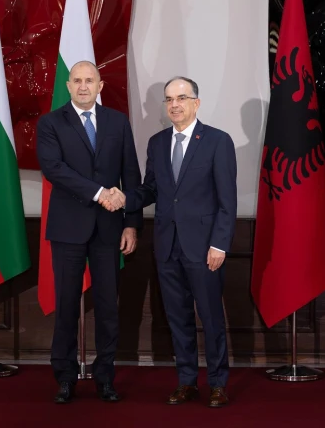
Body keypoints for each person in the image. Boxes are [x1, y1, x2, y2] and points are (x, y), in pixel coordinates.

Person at [100, 76, 237, 408]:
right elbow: (151, 189)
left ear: (196, 103)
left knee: (211, 318)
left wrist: (219, 245)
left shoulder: (217, 141)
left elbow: (227, 201)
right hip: (167, 246)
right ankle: (187, 381)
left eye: (181, 98)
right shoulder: (158, 143)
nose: (174, 105)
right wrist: (124, 197)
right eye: (169, 99)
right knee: (177, 318)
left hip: (204, 248)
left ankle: (218, 383)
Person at [35, 60, 143, 404]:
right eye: (77, 80)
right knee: (66, 305)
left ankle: (105, 377)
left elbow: (131, 173)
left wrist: (131, 222)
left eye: (89, 80)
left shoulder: (118, 122)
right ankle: (65, 377)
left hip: (110, 229)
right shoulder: (51, 123)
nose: (83, 86)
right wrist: (100, 193)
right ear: (68, 86)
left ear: (100, 86)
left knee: (108, 307)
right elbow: (53, 169)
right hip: (68, 227)